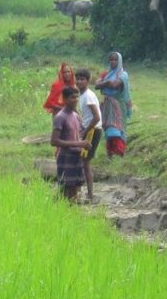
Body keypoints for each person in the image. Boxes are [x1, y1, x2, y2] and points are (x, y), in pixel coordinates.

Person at [50, 86, 89, 201]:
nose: (76, 100)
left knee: (76, 188)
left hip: (77, 157)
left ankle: (71, 212)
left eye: (77, 97)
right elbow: (54, 141)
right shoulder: (60, 117)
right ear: (65, 99)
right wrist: (78, 144)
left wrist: (83, 144)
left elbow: (78, 136)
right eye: (72, 97)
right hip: (65, 157)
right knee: (66, 189)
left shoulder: (76, 116)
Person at [94, 52, 132, 157]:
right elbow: (96, 85)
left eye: (115, 60)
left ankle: (120, 153)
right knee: (108, 128)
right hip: (107, 105)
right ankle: (110, 154)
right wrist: (107, 83)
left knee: (119, 129)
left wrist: (105, 83)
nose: (113, 62)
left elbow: (115, 85)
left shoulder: (123, 75)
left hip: (119, 105)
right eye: (111, 59)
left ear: (119, 61)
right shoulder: (106, 74)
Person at [75, 69, 103, 202]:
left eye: (82, 79)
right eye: (78, 78)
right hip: (88, 129)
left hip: (93, 130)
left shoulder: (88, 96)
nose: (79, 81)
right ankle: (81, 191)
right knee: (83, 161)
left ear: (88, 81)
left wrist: (84, 132)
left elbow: (96, 117)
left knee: (85, 162)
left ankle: (89, 193)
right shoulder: (82, 95)